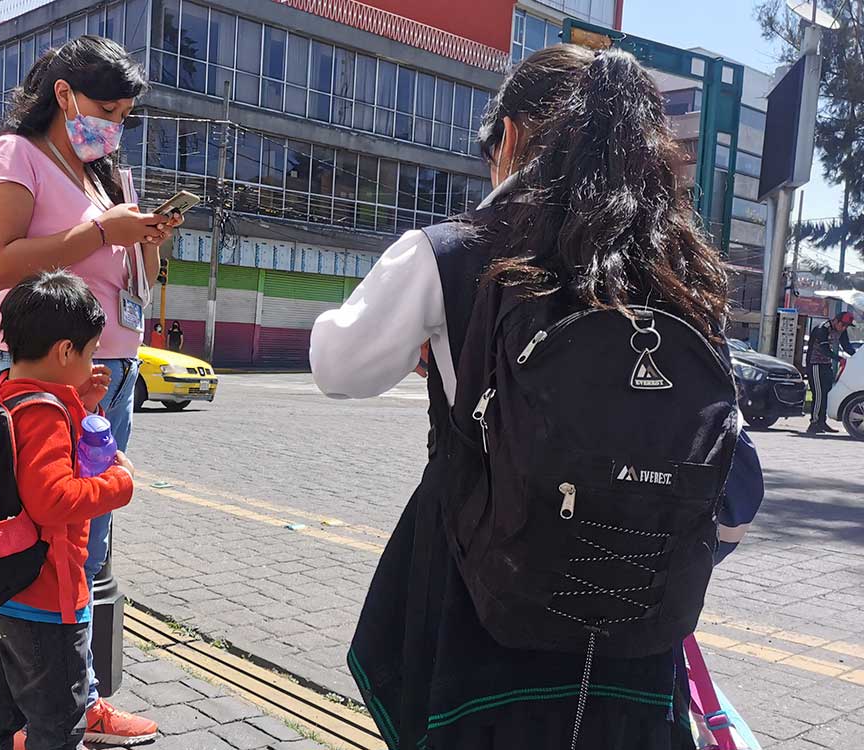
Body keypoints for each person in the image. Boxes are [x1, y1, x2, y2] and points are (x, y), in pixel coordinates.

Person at [311, 46, 732, 749]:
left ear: (508, 137)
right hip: (637, 624)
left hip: (484, 601)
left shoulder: (455, 251)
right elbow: (733, 477)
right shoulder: (680, 265)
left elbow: (336, 364)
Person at [0, 35, 180, 745]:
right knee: (46, 541)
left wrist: (145, 236)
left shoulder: (104, 172)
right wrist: (101, 232)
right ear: (63, 94)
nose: (113, 124)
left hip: (106, 368)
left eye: (124, 114)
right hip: (42, 375)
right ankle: (61, 707)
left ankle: (40, 705)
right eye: (105, 108)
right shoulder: (14, 156)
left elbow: (128, 271)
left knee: (81, 551)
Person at [0, 269, 135, 750]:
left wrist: (82, 401)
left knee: (0, 702)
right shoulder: (45, 413)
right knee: (59, 718)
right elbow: (53, 499)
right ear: (64, 351)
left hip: (0, 592)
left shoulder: (2, 395)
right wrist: (119, 484)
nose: (94, 359)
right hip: (46, 599)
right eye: (91, 351)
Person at [806, 310, 857, 434]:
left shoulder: (841, 331)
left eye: (846, 326)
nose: (843, 328)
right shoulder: (822, 329)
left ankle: (822, 422)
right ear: (836, 321)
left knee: (826, 393)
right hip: (815, 364)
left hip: (826, 364)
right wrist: (839, 359)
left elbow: (847, 346)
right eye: (843, 325)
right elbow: (824, 349)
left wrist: (857, 357)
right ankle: (814, 423)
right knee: (818, 394)